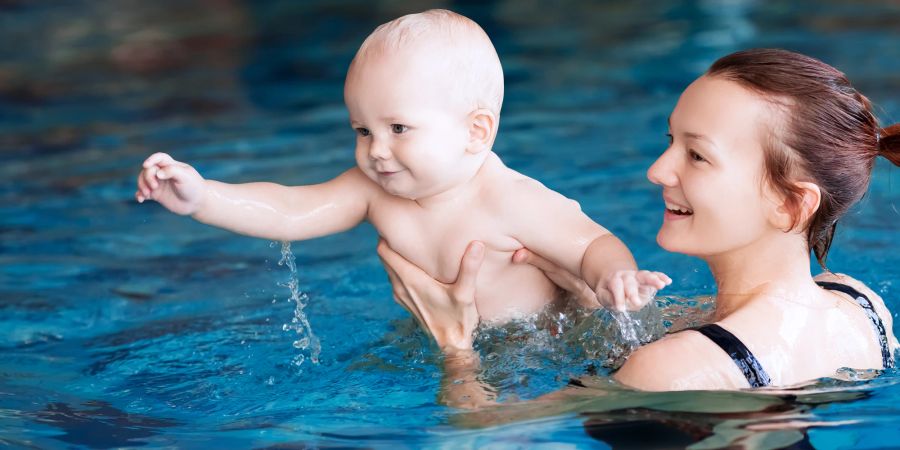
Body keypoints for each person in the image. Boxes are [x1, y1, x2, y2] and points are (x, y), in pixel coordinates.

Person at [377, 48, 900, 395]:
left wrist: (455, 347)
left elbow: (480, 436)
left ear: (791, 204)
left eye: (697, 156)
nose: (657, 171)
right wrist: (585, 301)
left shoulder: (675, 369)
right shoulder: (860, 307)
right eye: (669, 141)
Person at [134, 9, 670, 326]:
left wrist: (614, 278)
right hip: (447, 341)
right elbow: (292, 209)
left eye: (399, 129)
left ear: (475, 132)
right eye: (362, 130)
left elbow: (590, 243)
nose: (376, 151)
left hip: (550, 344)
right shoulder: (373, 190)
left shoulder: (509, 198)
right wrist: (203, 198)